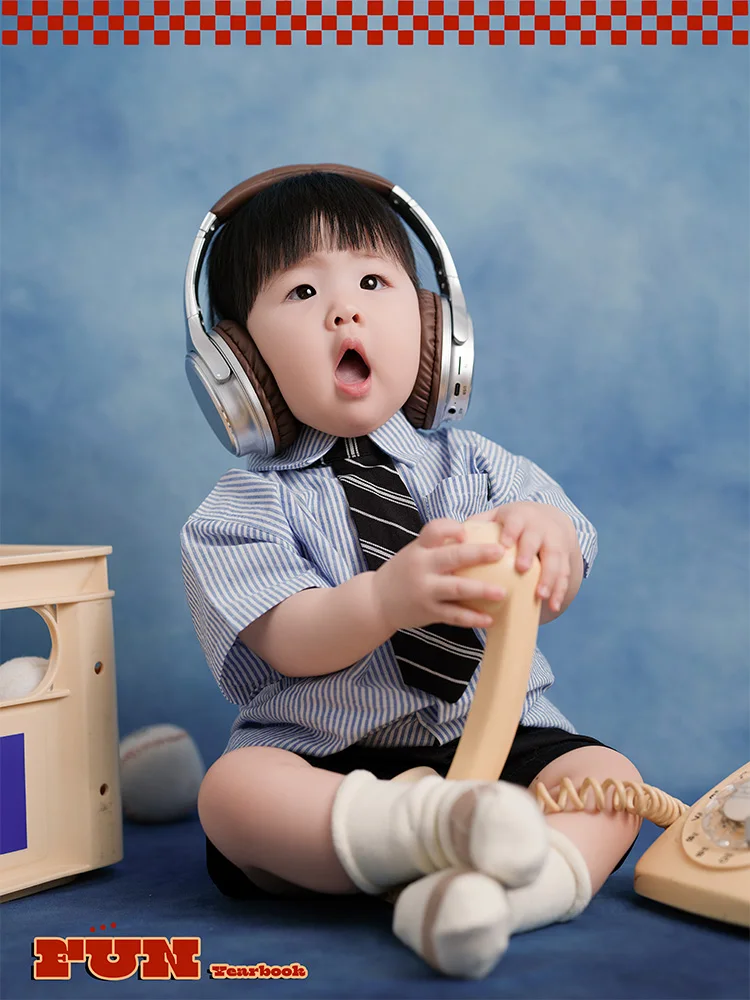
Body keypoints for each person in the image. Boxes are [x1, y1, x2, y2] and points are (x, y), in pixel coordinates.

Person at [181, 169, 643, 979]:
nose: (343, 310)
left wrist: (548, 537)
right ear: (239, 363)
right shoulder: (240, 509)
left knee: (608, 782)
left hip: (498, 742)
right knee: (232, 796)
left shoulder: (480, 466)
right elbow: (286, 638)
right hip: (327, 762)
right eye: (300, 293)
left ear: (436, 331)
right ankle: (428, 838)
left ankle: (501, 900)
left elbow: (565, 557)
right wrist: (385, 598)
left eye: (370, 282)